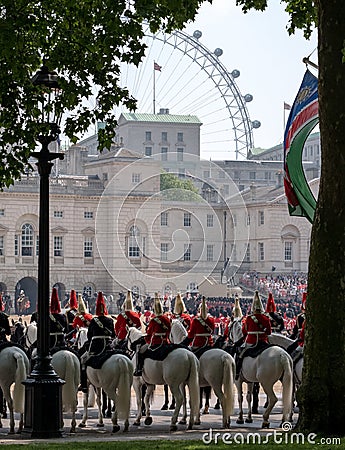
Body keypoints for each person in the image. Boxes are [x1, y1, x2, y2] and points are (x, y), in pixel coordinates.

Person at [236, 290, 271, 379]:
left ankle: (237, 372)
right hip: (264, 341)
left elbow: (244, 331)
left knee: (240, 354)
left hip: (251, 341)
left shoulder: (249, 318)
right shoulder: (266, 318)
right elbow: (269, 332)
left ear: (253, 308)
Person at [134, 293, 171, 376]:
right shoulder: (167, 319)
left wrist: (147, 341)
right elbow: (169, 331)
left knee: (140, 351)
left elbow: (149, 334)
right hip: (166, 342)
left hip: (156, 343)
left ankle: (139, 369)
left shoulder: (153, 320)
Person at [87, 291, 115, 357]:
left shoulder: (94, 320)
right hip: (108, 345)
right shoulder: (110, 320)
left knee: (86, 360)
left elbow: (89, 335)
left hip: (96, 345)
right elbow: (113, 334)